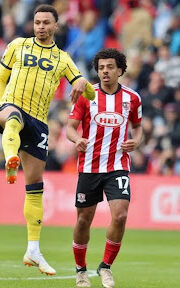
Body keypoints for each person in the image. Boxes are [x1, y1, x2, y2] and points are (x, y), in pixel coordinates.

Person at [0, 4, 95, 275]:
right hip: (12, 106)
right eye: (37, 22)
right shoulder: (17, 45)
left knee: (35, 186)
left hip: (38, 122)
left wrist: (84, 84)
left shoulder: (63, 59)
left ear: (55, 26)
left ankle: (33, 249)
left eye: (46, 22)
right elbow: (0, 78)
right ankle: (10, 158)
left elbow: (88, 93)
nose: (40, 26)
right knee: (13, 121)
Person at [67, 48, 143, 288]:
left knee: (120, 215)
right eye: (101, 68)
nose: (105, 72)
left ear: (120, 70)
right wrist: (76, 139)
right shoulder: (86, 95)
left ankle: (105, 267)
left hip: (118, 165)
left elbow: (138, 126)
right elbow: (70, 127)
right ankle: (80, 270)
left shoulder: (132, 98)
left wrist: (137, 141)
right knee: (83, 221)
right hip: (89, 166)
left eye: (110, 67)